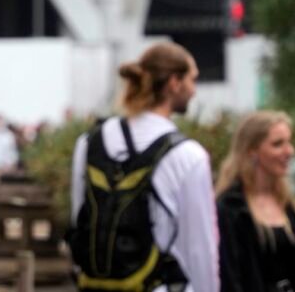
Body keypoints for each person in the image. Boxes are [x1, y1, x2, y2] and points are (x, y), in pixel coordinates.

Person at [69, 42, 218, 292]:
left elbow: (78, 220)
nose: (194, 91)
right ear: (174, 82)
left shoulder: (88, 143)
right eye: (192, 80)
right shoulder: (188, 156)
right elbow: (200, 249)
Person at [216, 111, 295, 292]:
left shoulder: (288, 206)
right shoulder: (230, 209)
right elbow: (229, 279)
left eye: (289, 142)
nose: (289, 151)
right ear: (252, 150)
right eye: (278, 144)